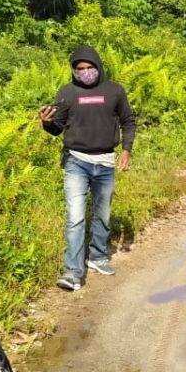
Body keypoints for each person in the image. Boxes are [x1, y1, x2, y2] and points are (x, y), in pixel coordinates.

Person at [38, 45, 136, 291]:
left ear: (98, 66)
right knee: (76, 218)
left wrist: (126, 149)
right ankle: (72, 272)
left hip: (105, 163)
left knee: (102, 216)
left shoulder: (114, 91)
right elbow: (57, 128)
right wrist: (47, 123)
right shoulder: (67, 93)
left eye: (89, 67)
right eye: (79, 68)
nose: (85, 72)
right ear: (73, 70)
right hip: (76, 162)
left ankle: (98, 256)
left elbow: (128, 120)